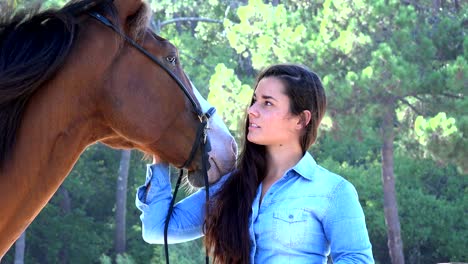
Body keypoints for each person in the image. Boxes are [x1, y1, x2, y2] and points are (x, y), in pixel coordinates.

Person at [135, 64, 374, 263]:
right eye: (254, 100)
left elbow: (358, 259)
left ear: (301, 119)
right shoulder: (230, 187)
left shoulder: (333, 191)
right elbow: (157, 230)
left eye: (267, 103)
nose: (252, 111)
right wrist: (160, 151)